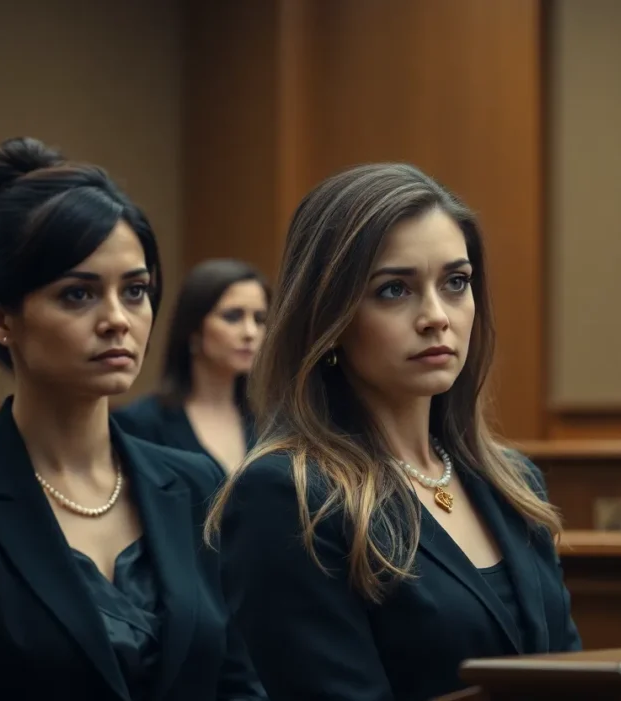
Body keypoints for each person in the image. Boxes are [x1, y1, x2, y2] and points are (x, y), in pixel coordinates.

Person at [0, 137, 265, 701]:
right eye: (78, 294)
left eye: (135, 291)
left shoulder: (193, 484)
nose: (117, 320)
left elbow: (237, 683)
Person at [208, 163, 581, 701]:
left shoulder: (514, 482)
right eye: (393, 290)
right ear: (328, 315)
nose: (436, 316)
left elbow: (573, 676)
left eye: (456, 282)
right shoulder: (287, 496)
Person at [113, 259, 268, 473]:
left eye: (260, 319)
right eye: (233, 317)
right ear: (193, 328)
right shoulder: (140, 423)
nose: (251, 332)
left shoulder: (270, 423)